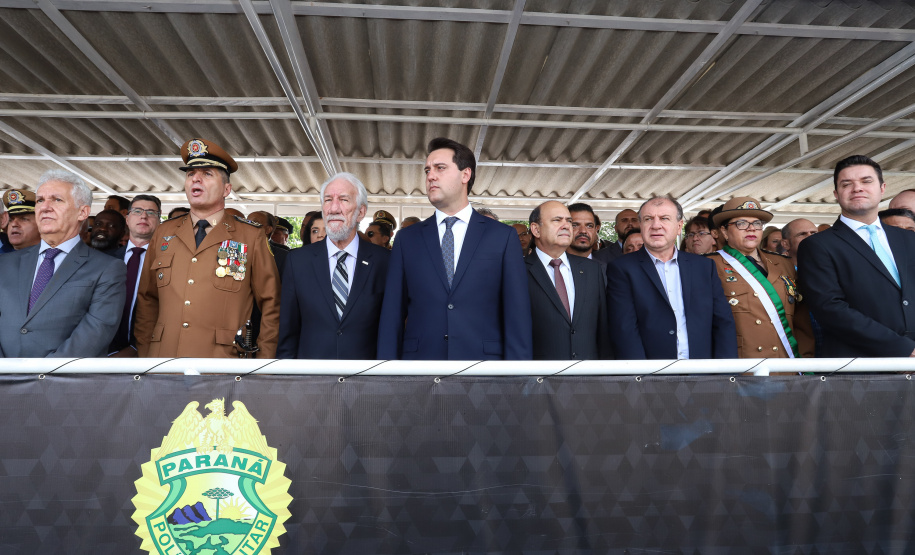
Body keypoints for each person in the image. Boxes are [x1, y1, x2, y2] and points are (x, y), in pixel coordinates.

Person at [377, 137, 532, 360]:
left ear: (465, 175)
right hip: (421, 367)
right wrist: (387, 373)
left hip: (484, 370)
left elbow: (517, 313)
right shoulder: (407, 239)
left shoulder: (502, 236)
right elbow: (392, 313)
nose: (430, 176)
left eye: (440, 168)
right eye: (428, 170)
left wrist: (519, 379)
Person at [134, 138, 281, 358]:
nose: (196, 179)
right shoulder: (164, 232)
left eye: (207, 174)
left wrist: (262, 362)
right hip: (163, 362)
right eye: (191, 174)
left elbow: (272, 303)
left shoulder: (250, 236)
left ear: (227, 189)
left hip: (222, 364)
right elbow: (147, 299)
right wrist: (146, 354)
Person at [798, 155, 915, 357]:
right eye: (847, 184)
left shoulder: (908, 239)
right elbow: (830, 309)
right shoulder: (817, 246)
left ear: (882, 188)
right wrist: (904, 349)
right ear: (836, 193)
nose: (857, 188)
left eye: (866, 181)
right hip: (859, 369)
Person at [0, 170, 125, 357]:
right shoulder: (5, 263)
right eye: (40, 200)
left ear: (82, 212)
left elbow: (96, 331)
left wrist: (41, 376)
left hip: (61, 383)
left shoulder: (107, 269)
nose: (45, 207)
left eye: (57, 200)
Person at [606, 195, 737, 360]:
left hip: (703, 374)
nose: (656, 225)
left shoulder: (704, 267)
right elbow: (624, 329)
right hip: (651, 377)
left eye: (664, 218)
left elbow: (723, 323)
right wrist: (640, 379)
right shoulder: (622, 268)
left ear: (679, 226)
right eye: (648, 219)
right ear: (641, 225)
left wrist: (725, 374)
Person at [278, 173, 390, 359]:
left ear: (361, 212)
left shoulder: (385, 262)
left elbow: (391, 328)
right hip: (310, 380)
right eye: (328, 200)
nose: (334, 208)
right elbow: (288, 332)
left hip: (365, 381)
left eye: (344, 199)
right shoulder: (297, 261)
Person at [708, 197, 813, 358]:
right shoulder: (709, 265)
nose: (751, 229)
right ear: (724, 231)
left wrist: (805, 361)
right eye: (741, 223)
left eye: (757, 223)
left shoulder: (784, 264)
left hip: (787, 367)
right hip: (744, 370)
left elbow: (802, 320)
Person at [526, 201, 610, 360]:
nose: (566, 226)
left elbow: (603, 329)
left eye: (569, 221)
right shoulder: (518, 270)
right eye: (557, 220)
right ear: (536, 229)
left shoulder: (592, 269)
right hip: (540, 377)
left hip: (589, 375)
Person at [108, 194, 161, 356]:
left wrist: (137, 348)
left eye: (151, 212)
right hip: (103, 352)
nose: (144, 216)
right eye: (137, 211)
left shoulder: (167, 263)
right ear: (127, 218)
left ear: (159, 221)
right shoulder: (105, 259)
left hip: (148, 352)